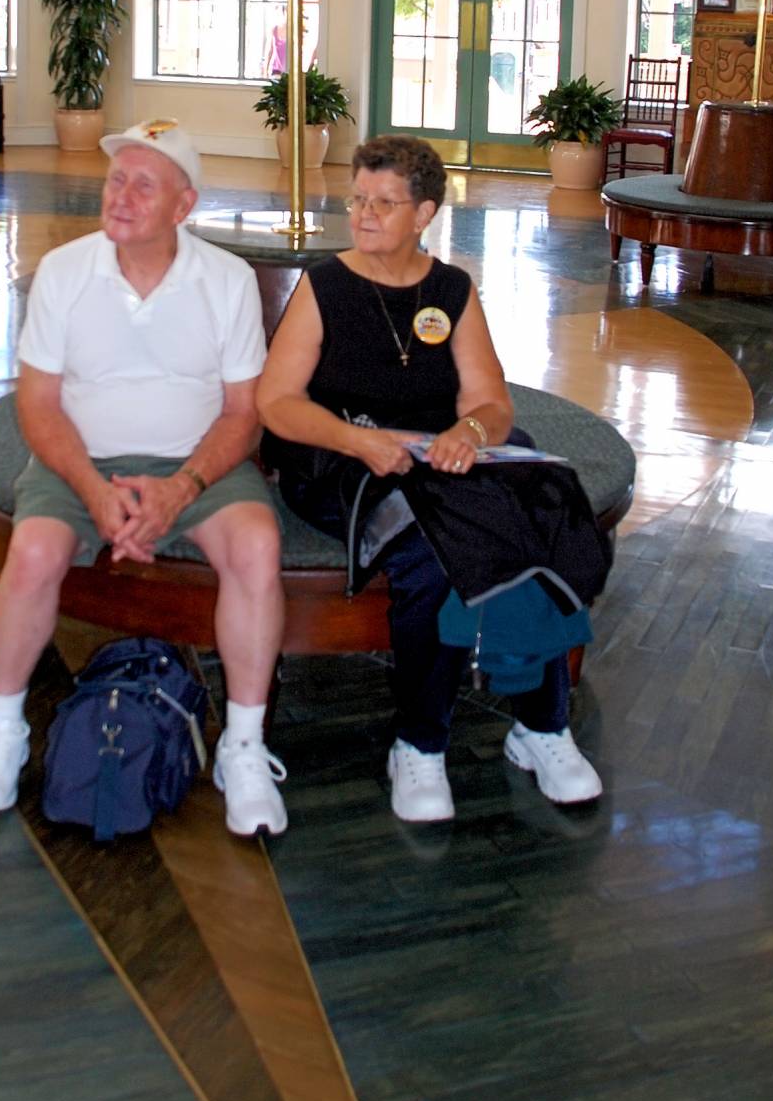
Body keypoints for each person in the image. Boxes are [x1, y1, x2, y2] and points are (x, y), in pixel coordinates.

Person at [257, 133, 604, 824]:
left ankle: (541, 726)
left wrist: (467, 434)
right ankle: (419, 742)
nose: (363, 213)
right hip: (344, 463)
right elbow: (277, 403)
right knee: (434, 556)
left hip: (437, 462)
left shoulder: (452, 289)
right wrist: (359, 439)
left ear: (424, 214)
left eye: (384, 202)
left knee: (541, 512)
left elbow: (490, 400)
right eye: (358, 198)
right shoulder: (325, 286)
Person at [0, 118, 289, 838]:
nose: (122, 195)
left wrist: (181, 489)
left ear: (183, 205)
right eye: (116, 179)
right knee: (37, 551)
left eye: (145, 184)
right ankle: (3, 728)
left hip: (196, 461)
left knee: (258, 547)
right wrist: (91, 491)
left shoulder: (226, 281)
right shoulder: (66, 272)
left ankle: (244, 745)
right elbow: (38, 404)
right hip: (82, 456)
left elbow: (243, 415)